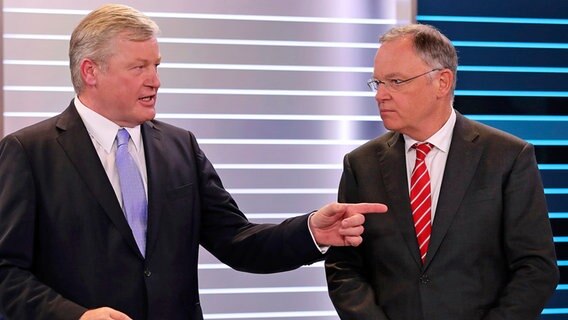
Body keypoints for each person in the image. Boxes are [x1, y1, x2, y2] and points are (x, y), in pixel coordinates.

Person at [0, 4, 388, 320]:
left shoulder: (179, 146)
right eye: (139, 67)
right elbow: (6, 274)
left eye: (156, 65)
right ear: (91, 71)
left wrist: (311, 232)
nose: (155, 80)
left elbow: (236, 241)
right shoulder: (29, 152)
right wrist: (76, 317)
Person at [325, 23, 559, 320]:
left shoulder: (507, 157)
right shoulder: (361, 164)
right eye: (377, 83)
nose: (380, 95)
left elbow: (536, 268)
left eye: (395, 81)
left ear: (442, 82)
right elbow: (344, 266)